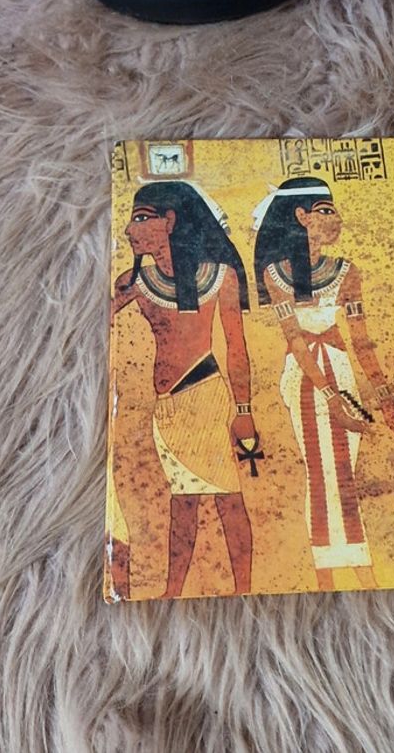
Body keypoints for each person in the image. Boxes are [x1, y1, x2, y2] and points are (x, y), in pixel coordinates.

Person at [253, 177, 394, 591]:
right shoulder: (276, 275)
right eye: (325, 210)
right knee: (323, 473)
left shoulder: (347, 272)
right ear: (301, 217)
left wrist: (386, 400)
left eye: (334, 210)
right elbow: (294, 339)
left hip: (339, 369)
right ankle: (333, 571)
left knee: (344, 471)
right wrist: (331, 398)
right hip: (306, 376)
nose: (336, 218)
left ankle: (348, 567)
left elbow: (361, 339)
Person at [112, 181, 256, 598]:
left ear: (170, 221)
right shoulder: (134, 281)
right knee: (183, 500)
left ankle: (244, 588)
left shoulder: (219, 278)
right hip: (167, 408)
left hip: (205, 396)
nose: (129, 230)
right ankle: (173, 591)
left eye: (141, 218)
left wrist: (243, 411)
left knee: (227, 498)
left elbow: (237, 348)